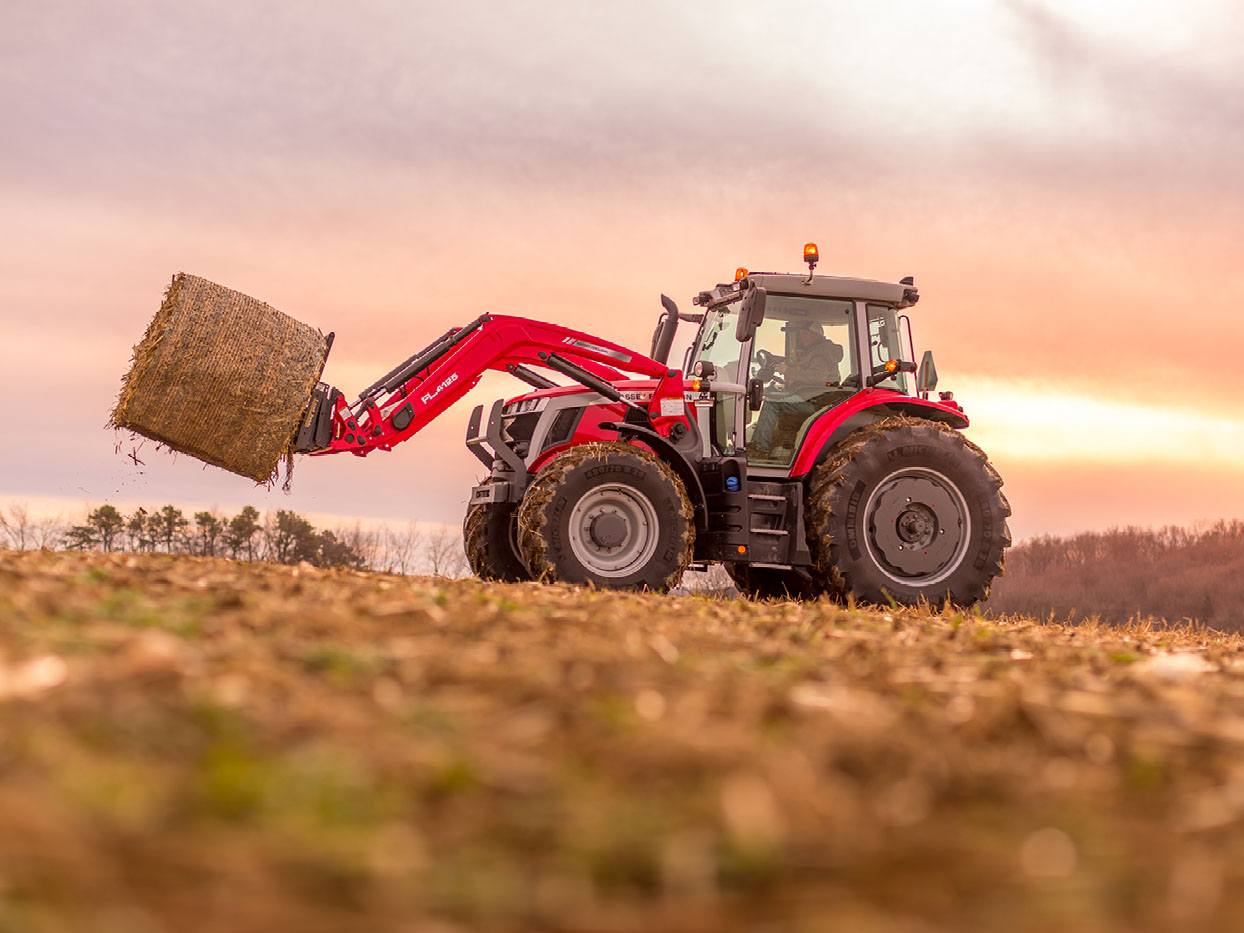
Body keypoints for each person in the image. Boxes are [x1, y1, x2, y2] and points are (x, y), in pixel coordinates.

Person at [749, 319, 846, 462]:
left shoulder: (822, 353)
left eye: (803, 334)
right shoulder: (811, 351)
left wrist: (788, 371)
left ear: (814, 334)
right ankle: (776, 447)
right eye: (799, 334)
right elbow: (806, 373)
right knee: (774, 393)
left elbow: (817, 378)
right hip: (809, 395)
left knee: (772, 403)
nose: (800, 338)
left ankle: (760, 448)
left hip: (815, 400)